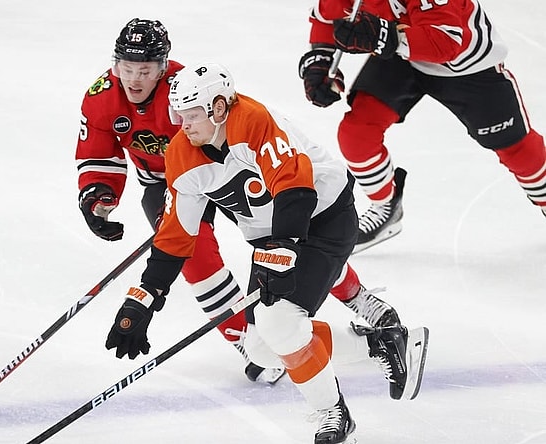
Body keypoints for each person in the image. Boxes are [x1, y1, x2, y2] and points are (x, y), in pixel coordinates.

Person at [104, 63, 429, 444]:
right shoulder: (182, 154)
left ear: (219, 108)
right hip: (273, 238)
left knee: (280, 324)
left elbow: (295, 188)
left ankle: (334, 415)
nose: (184, 125)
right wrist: (144, 298)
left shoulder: (254, 122)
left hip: (323, 219)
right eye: (179, 115)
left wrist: (284, 249)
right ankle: (381, 345)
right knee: (261, 348)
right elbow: (176, 237)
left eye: (192, 115)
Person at [76, 18, 398, 385]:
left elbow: (234, 126)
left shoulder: (187, 89)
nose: (133, 79)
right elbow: (98, 153)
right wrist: (98, 194)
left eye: (145, 70)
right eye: (126, 68)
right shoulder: (102, 96)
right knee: (193, 258)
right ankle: (247, 339)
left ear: (163, 66)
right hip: (168, 182)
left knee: (286, 235)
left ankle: (355, 296)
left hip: (225, 172)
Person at [298, 0, 546, 252]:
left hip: (465, 66)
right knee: (356, 133)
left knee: (519, 151)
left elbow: (447, 42)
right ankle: (386, 207)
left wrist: (383, 36)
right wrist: (320, 60)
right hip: (401, 56)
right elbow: (327, 15)